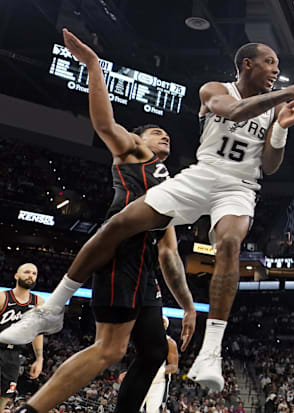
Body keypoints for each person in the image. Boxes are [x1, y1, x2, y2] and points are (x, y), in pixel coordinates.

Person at [1, 30, 294, 392]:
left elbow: (269, 166)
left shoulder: (273, 108)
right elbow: (236, 112)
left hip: (238, 187)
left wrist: (282, 128)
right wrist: (290, 91)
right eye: (270, 62)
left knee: (229, 244)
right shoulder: (215, 89)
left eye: (278, 66)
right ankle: (53, 308)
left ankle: (211, 350)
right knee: (119, 224)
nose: (276, 69)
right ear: (247, 64)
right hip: (202, 175)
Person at [2, 29, 196, 413]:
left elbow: (170, 253)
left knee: (155, 349)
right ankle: (32, 408)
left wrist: (188, 305)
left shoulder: (167, 186)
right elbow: (105, 125)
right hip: (118, 257)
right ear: (140, 139)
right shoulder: (136, 154)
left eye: (167, 133)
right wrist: (94, 67)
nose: (165, 136)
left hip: (145, 274)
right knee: (110, 349)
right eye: (158, 132)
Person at [0, 263, 44, 411]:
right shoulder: (3, 297)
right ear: (16, 276)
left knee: (6, 394)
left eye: (34, 273)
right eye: (26, 272)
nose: (30, 276)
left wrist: (39, 358)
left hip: (14, 354)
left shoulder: (38, 302)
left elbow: (37, 332)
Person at [140, 316, 178, 413]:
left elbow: (174, 366)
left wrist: (159, 371)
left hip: (159, 382)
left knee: (154, 411)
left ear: (165, 326)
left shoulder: (170, 343)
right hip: (141, 379)